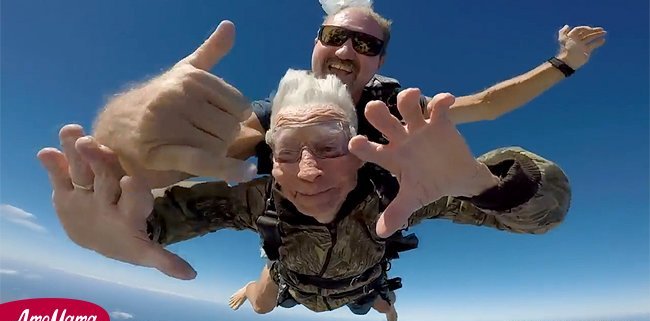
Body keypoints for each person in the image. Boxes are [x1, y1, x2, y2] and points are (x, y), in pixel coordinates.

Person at [38, 69, 571, 321]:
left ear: (361, 150)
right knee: (266, 303)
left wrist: (488, 186)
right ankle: (259, 285)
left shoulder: (399, 195)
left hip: (360, 281)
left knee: (375, 302)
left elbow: (539, 216)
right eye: (288, 152)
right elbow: (157, 217)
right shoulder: (255, 200)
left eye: (329, 147)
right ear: (269, 156)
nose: (310, 171)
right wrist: (106, 223)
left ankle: (382, 300)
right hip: (294, 281)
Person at [87, 2, 605, 192]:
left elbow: (488, 103)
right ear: (316, 44)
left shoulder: (398, 111)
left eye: (365, 43)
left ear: (379, 60)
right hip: (296, 220)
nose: (346, 49)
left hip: (379, 213)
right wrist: (137, 152)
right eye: (334, 37)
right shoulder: (275, 116)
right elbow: (208, 154)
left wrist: (563, 63)